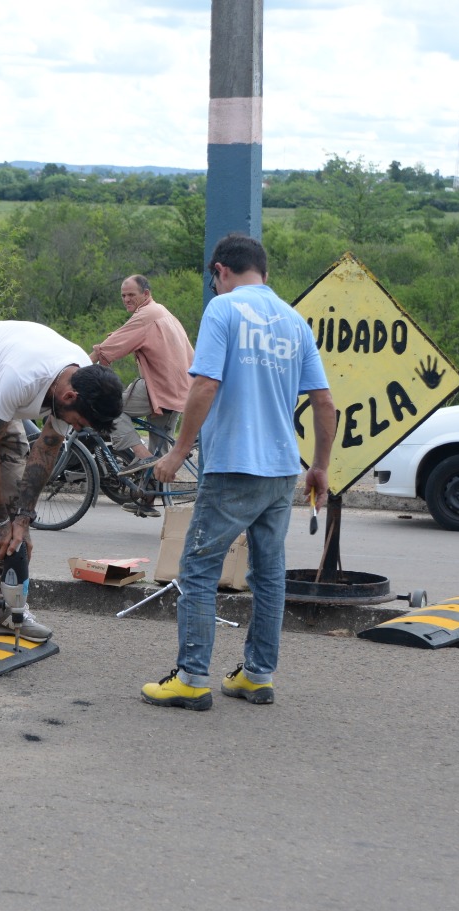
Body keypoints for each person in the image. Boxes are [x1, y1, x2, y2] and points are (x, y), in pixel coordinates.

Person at [141, 234, 335, 710]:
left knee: (199, 568)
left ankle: (191, 678)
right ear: (263, 273)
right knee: (268, 575)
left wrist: (177, 452)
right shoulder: (294, 321)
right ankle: (257, 675)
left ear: (221, 271)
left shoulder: (223, 310)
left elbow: (205, 384)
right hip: (281, 469)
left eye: (215, 279)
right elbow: (324, 402)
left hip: (232, 464)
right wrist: (320, 467)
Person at [0, 320, 124, 648]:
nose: (75, 428)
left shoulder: (81, 379)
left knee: (15, 502)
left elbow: (47, 447)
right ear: (69, 396)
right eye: (77, 422)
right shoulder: (23, 378)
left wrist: (22, 518)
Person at [89, 274, 195, 498]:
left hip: (159, 386)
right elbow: (125, 337)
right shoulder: (162, 312)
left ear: (146, 294)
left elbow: (108, 348)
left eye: (131, 295)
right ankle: (148, 499)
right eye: (123, 296)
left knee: (110, 410)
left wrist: (80, 369)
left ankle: (141, 456)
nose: (126, 299)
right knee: (160, 449)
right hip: (181, 389)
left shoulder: (146, 315)